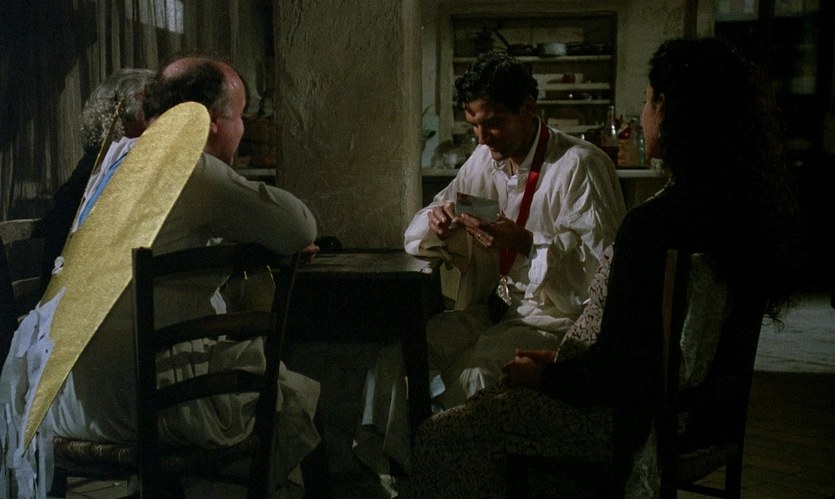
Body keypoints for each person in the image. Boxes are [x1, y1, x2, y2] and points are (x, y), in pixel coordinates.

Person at [403, 37, 799, 498]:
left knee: (450, 429)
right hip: (696, 412)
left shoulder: (648, 224)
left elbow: (619, 365)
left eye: (647, 101)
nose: (642, 115)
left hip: (628, 420)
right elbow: (638, 348)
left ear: (669, 110)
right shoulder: (735, 212)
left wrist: (549, 374)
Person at [0, 56, 321, 498]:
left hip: (65, 400)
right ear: (212, 123)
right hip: (143, 402)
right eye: (240, 115)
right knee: (293, 394)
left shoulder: (114, 162)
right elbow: (300, 226)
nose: (243, 129)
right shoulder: (189, 166)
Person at [404, 51, 625, 408]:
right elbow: (433, 214)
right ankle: (389, 447)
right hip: (495, 310)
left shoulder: (579, 166)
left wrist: (524, 242)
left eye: (492, 123)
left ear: (528, 109)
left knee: (475, 373)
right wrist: (440, 221)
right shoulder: (485, 160)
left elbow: (604, 279)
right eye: (473, 125)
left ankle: (441, 441)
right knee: (404, 349)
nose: (481, 138)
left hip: (552, 322)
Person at [33, 68, 155, 292]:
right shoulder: (105, 166)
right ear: (124, 117)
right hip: (72, 292)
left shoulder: (104, 160)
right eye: (150, 111)